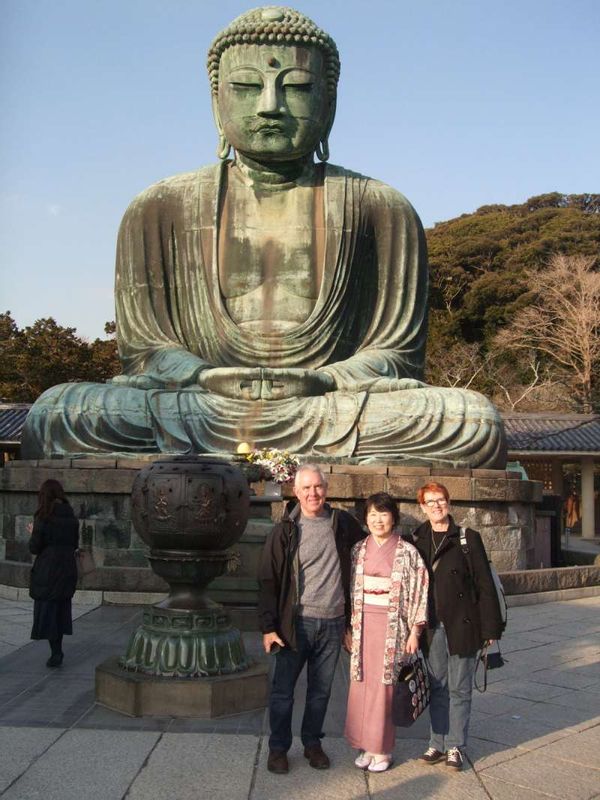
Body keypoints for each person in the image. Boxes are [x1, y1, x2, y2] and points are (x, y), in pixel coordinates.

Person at [21, 6, 506, 470]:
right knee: (60, 413)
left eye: (295, 87)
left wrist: (323, 379)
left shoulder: (380, 208)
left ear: (329, 104)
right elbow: (146, 349)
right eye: (247, 87)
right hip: (200, 405)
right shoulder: (158, 207)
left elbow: (396, 354)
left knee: (469, 421)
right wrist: (202, 375)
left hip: (328, 405)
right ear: (217, 102)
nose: (270, 106)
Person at [258, 463, 364, 774]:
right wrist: (268, 627)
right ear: (296, 491)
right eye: (306, 488)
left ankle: (312, 743)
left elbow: (372, 548)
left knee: (321, 691)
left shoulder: (342, 523)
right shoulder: (285, 531)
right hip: (295, 625)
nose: (313, 493)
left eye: (318, 487)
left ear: (326, 490)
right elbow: (268, 581)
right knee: (283, 691)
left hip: (332, 623)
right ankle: (278, 748)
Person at [411, 482, 503, 770]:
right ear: (422, 507)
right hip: (431, 626)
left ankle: (456, 746)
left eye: (441, 500)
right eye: (430, 502)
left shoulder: (467, 538)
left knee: (460, 688)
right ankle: (436, 743)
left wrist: (490, 630)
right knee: (437, 686)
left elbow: (485, 585)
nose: (436, 506)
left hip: (463, 625)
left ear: (448, 503)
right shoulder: (417, 538)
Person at [345, 492, 428, 772]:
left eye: (383, 514)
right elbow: (349, 592)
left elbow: (419, 590)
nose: (378, 520)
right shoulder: (358, 550)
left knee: (385, 687)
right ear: (365, 518)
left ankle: (382, 749)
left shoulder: (407, 552)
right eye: (372, 515)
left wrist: (415, 631)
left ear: (393, 517)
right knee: (362, 685)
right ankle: (366, 746)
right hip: (363, 623)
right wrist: (349, 626)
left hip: (392, 626)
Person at [28, 479, 79, 667]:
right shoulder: (71, 518)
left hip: (48, 569)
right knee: (61, 609)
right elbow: (74, 544)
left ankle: (56, 652)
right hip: (67, 568)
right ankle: (57, 651)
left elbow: (35, 547)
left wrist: (33, 532)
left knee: (49, 611)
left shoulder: (43, 517)